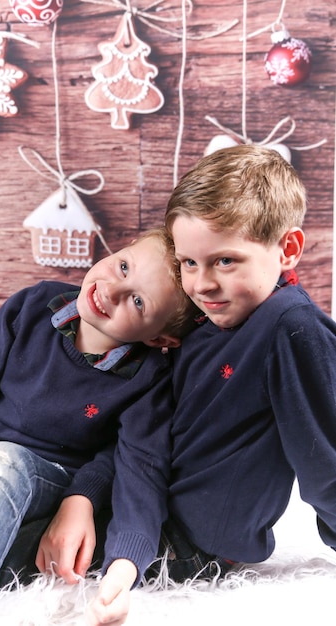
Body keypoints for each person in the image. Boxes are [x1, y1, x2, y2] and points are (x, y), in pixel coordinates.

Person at [86, 145, 336, 626]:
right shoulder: (202, 322)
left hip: (187, 541)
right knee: (13, 476)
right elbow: (146, 429)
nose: (201, 284)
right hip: (139, 497)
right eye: (189, 263)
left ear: (287, 250)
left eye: (225, 261)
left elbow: (326, 457)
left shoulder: (291, 327)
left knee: (7, 523)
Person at [0, 226, 197, 626]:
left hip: (40, 479)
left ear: (159, 339)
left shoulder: (148, 378)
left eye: (137, 300)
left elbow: (139, 470)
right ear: (123, 248)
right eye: (122, 266)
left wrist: (122, 570)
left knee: (1, 462)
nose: (112, 292)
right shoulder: (32, 306)